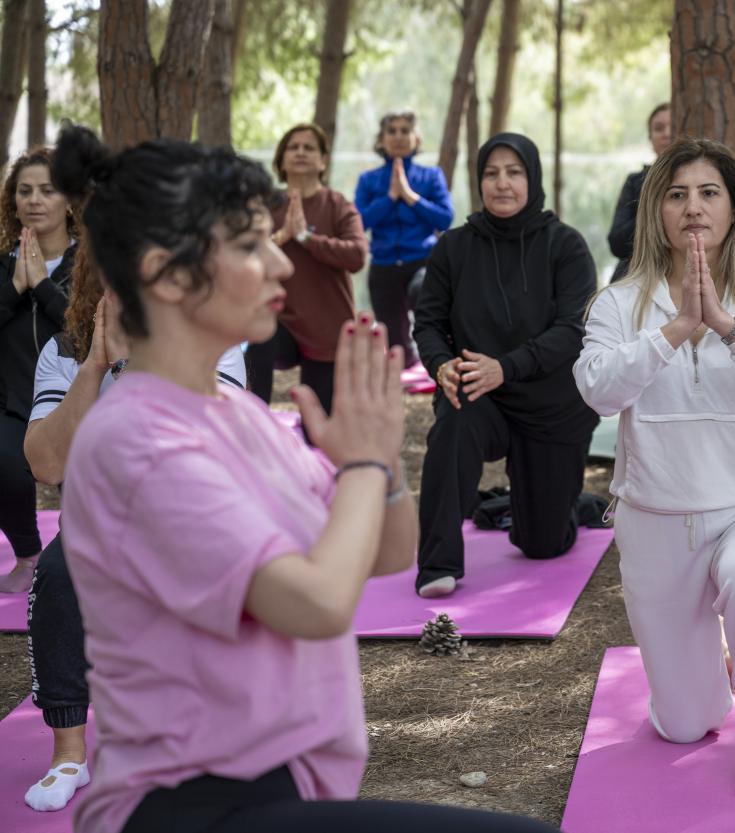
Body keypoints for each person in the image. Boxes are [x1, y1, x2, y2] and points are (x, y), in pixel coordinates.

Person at [50, 124, 557, 833]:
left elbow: (385, 550)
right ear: (167, 274)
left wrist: (377, 470)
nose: (282, 266)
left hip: (288, 784)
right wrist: (364, 461)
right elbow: (317, 602)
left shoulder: (241, 413)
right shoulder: (135, 439)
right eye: (252, 245)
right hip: (195, 803)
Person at [575, 138, 735, 799]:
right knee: (684, 725)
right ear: (656, 209)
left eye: (709, 192)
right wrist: (674, 329)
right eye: (676, 192)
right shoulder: (619, 302)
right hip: (656, 520)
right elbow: (597, 389)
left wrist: (725, 323)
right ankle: (712, 663)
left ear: (734, 207)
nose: (693, 207)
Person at [21, 252, 246, 813]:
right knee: (56, 573)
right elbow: (46, 465)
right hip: (96, 524)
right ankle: (69, 752)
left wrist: (137, 368)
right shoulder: (62, 351)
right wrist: (96, 369)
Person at [412, 132, 598, 599]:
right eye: (491, 173)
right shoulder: (453, 248)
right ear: (479, 181)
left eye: (514, 172)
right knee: (453, 423)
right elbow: (428, 323)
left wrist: (506, 367)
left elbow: (573, 332)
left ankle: (571, 503)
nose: (502, 183)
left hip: (552, 405)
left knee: (543, 545)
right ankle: (437, 564)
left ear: (532, 178)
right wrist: (440, 366)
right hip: (480, 394)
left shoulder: (566, 246)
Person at [246, 123, 367, 416]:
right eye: (293, 147)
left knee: (317, 425)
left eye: (309, 147)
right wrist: (282, 236)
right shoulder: (265, 205)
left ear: (322, 160)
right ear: (281, 159)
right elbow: (242, 254)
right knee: (258, 341)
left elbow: (357, 256)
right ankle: (254, 424)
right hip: (277, 320)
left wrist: (306, 237)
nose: (300, 152)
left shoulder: (338, 205)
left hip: (326, 329)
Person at [0, 147, 77, 594]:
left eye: (48, 190)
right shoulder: (2, 262)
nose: (35, 200)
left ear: (69, 199)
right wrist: (14, 287)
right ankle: (27, 555)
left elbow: (89, 327)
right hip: (10, 401)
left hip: (78, 399)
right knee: (3, 461)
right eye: (25, 190)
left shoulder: (90, 263)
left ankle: (77, 559)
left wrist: (43, 287)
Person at [354, 110, 454, 366]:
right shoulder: (368, 180)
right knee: (400, 354)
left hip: (422, 262)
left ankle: (440, 357)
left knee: (421, 293)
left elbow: (445, 218)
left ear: (416, 139)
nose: (398, 136)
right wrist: (389, 198)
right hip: (383, 265)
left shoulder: (431, 177)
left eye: (405, 130)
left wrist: (410, 196)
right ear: (381, 140)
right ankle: (410, 361)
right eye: (392, 131)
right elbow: (359, 222)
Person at [607, 103, 672, 283]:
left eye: (673, 126)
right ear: (650, 138)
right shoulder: (635, 182)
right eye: (659, 128)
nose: (667, 133)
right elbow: (617, 242)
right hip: (637, 275)